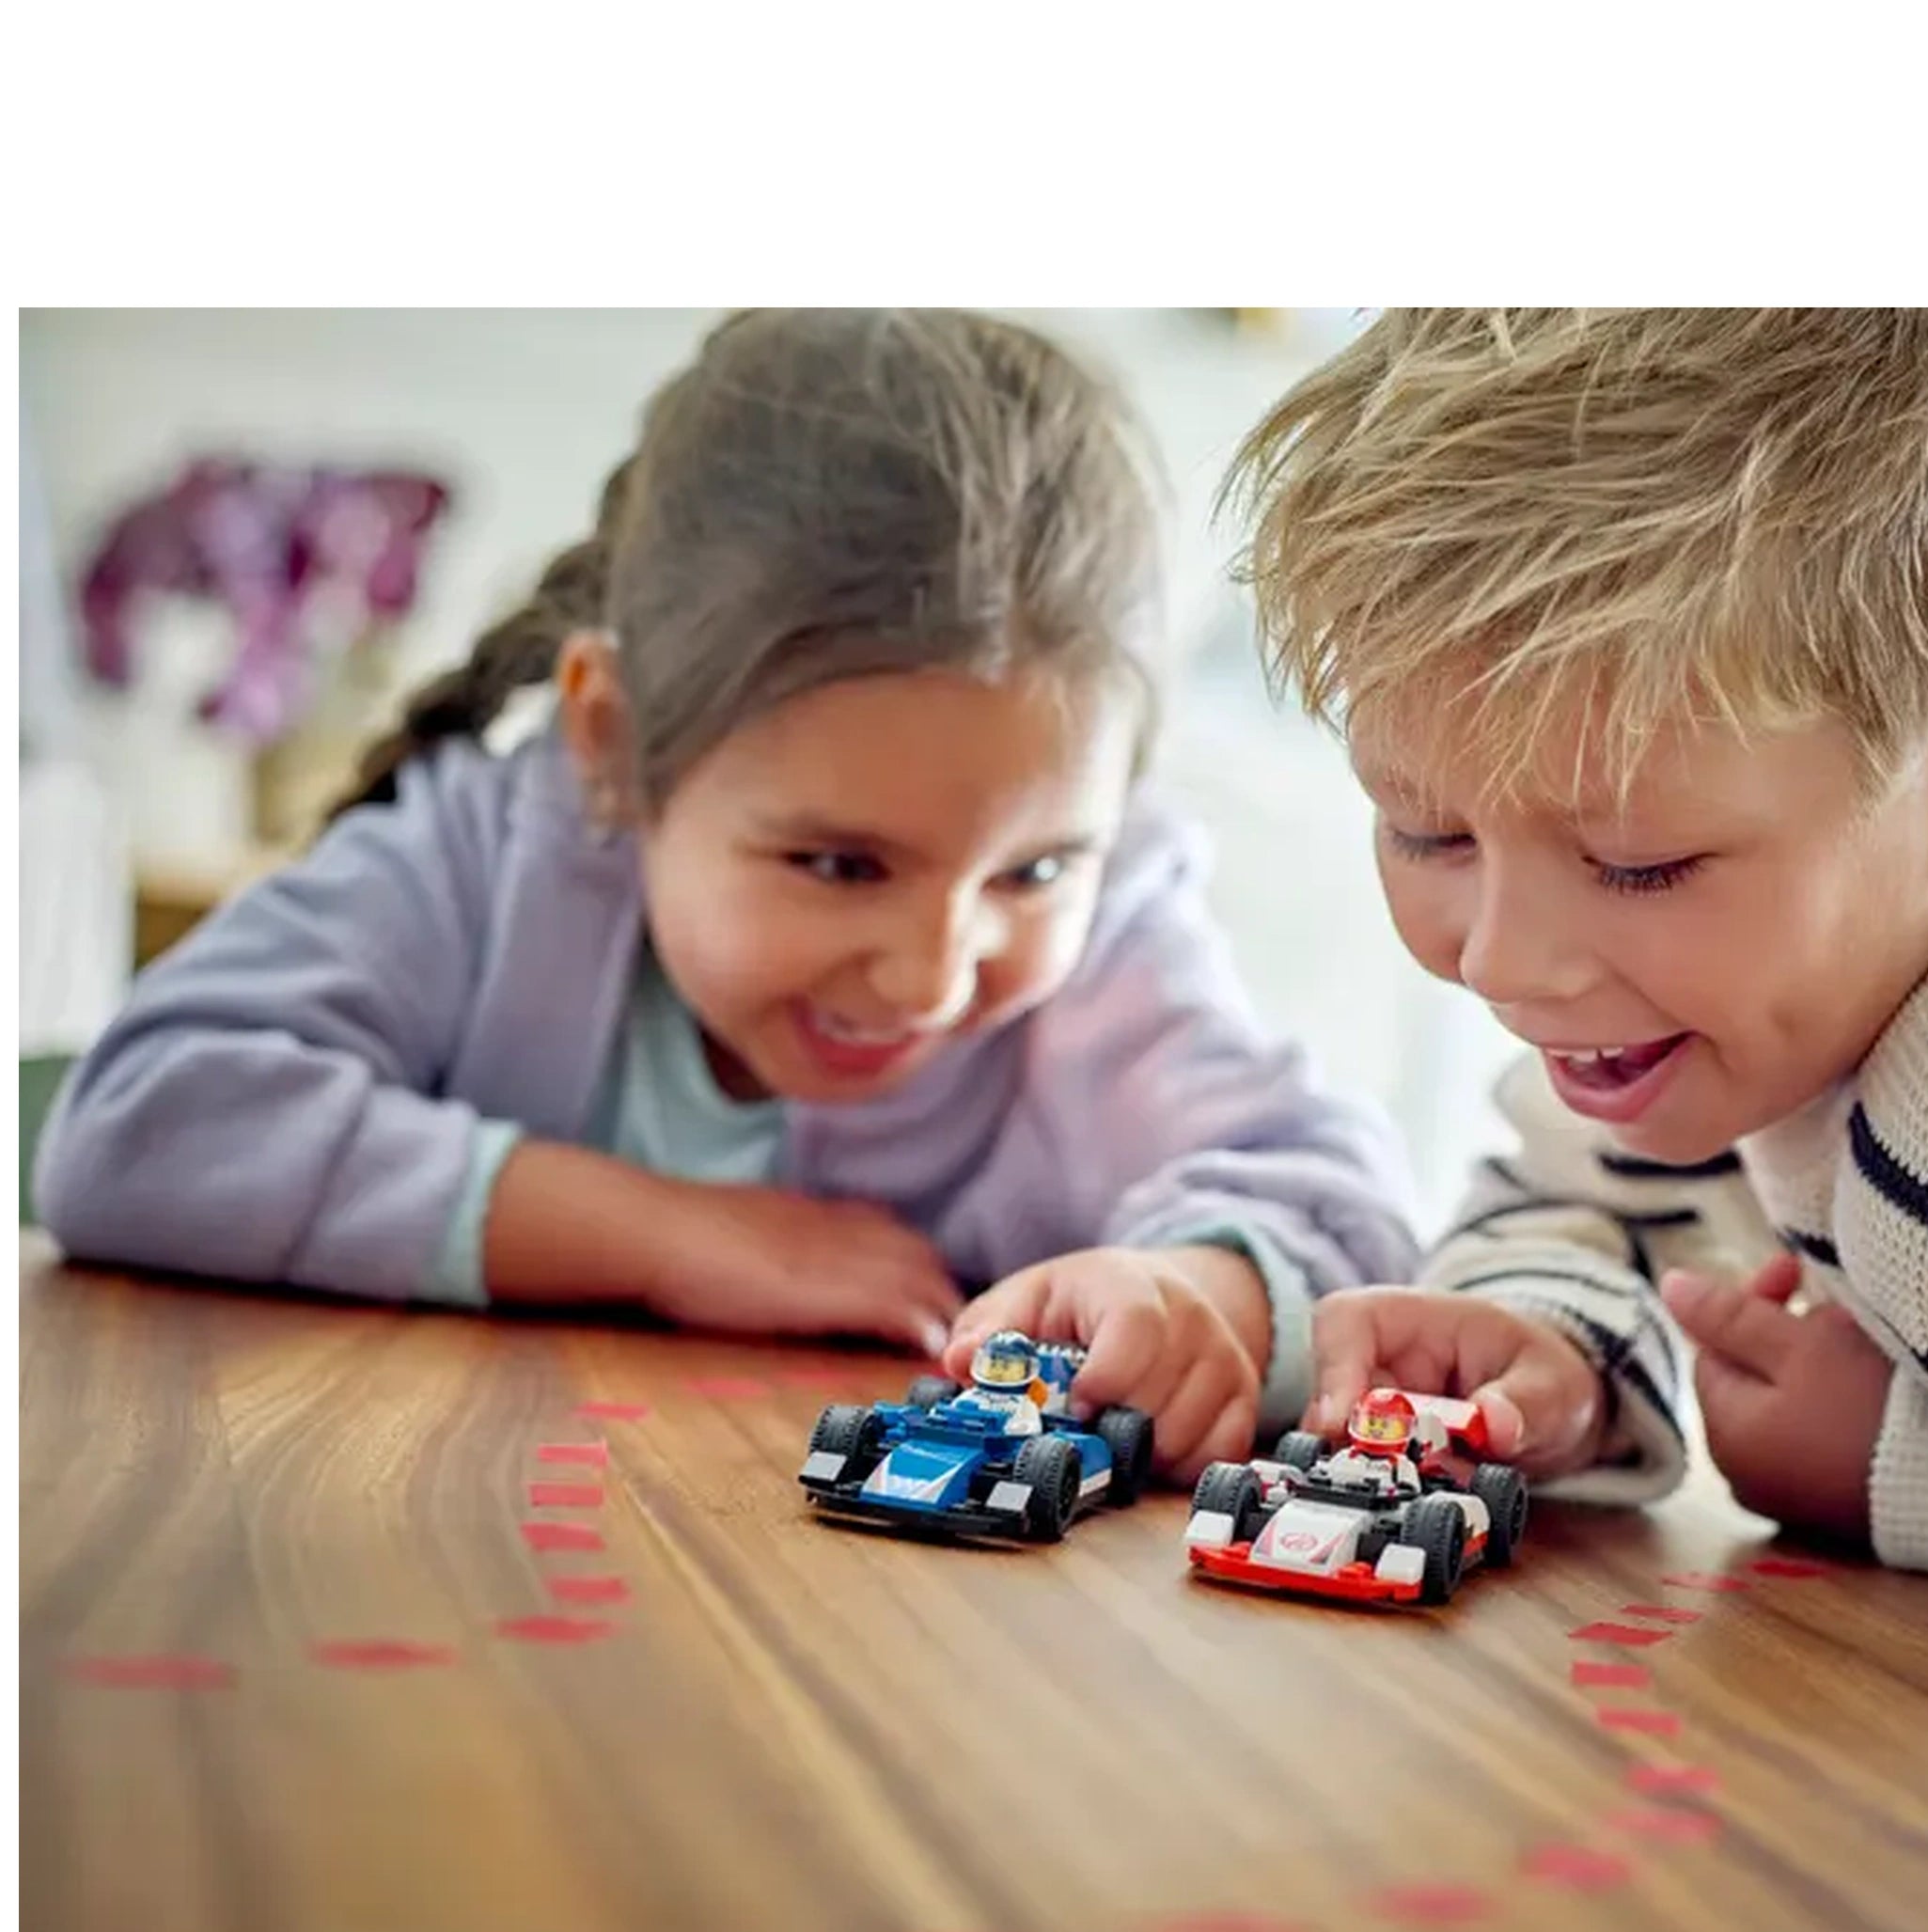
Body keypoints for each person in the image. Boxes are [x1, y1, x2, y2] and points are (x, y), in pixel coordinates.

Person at [35, 309, 1419, 1482]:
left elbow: (1342, 1204)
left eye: (1033, 868)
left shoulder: (1109, 945)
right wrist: (665, 1238)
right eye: (839, 865)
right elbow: (140, 1123)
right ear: (614, 746)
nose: (937, 974)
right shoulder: (483, 858)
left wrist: (1204, 1287)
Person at [1226, 307, 1928, 1665]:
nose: (1504, 961)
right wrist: (1543, 1343)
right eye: (1426, 830)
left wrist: (1907, 1477)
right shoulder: (1732, 972)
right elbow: (1590, 1187)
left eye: (1639, 863)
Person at [1317, 1388, 1423, 1496]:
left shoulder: (1402, 1466)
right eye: (1371, 1423)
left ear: (1404, 1429)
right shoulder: (1346, 1456)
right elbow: (1323, 1475)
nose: (1376, 1430)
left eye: (1385, 1425)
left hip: (1382, 1508)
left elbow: (1411, 1496)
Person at [956, 1329, 1047, 1437]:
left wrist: (1013, 1428)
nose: (998, 1371)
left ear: (1025, 1370)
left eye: (1006, 1367)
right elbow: (953, 1409)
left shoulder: (1023, 1405)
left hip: (1002, 1446)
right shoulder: (971, 1395)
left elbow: (1033, 1427)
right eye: (993, 1365)